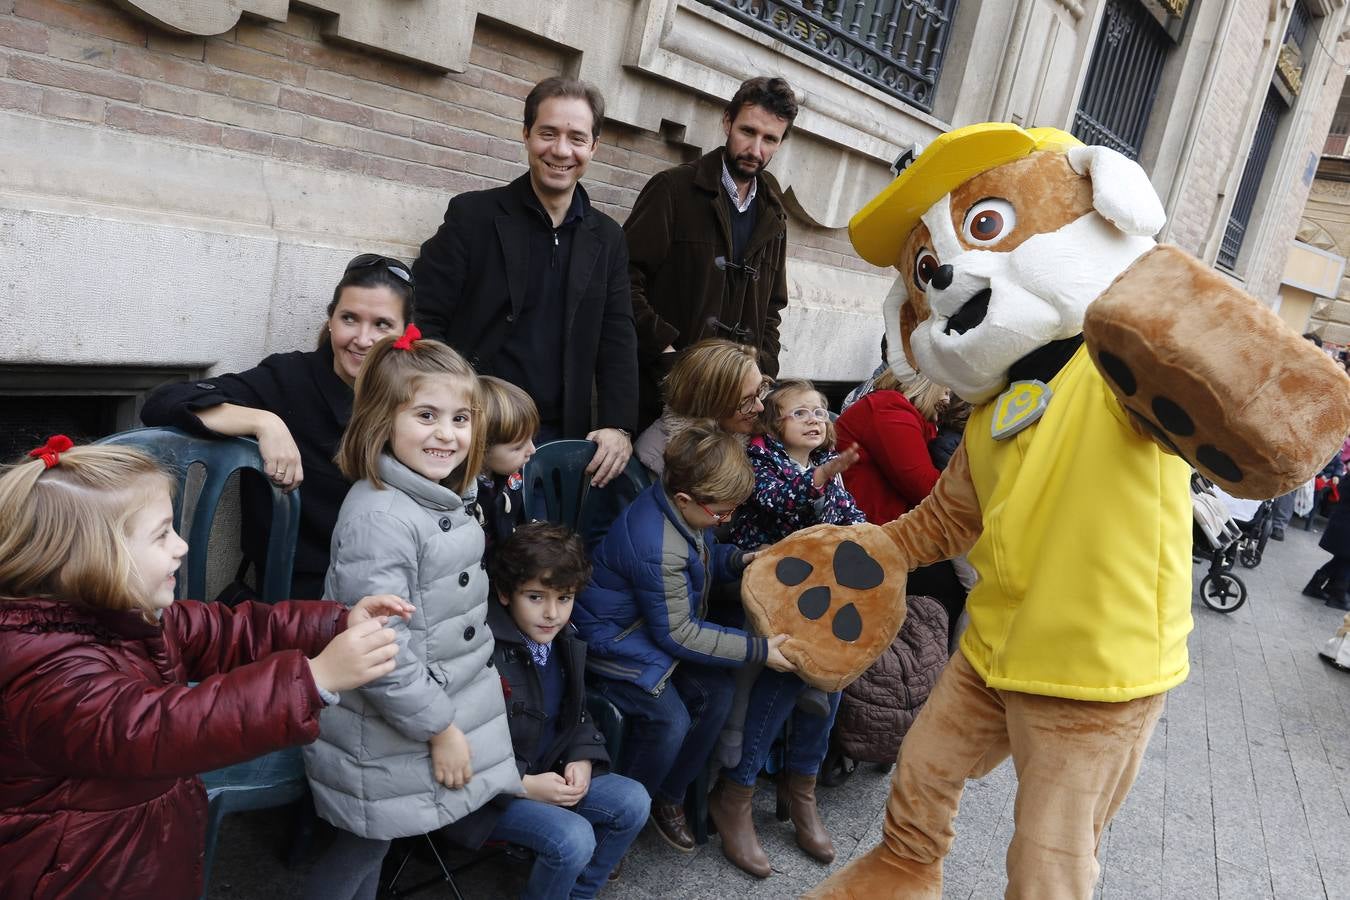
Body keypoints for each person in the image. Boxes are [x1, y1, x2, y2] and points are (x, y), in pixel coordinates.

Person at [0, 438, 407, 900]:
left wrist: (332, 623)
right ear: (90, 559)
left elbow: (228, 631)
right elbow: (163, 729)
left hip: (133, 847)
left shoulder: (125, 615)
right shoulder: (46, 672)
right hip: (77, 871)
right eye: (161, 535)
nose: (182, 546)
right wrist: (312, 680)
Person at [301, 329, 521, 900]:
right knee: (362, 845)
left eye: (460, 418)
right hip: (387, 724)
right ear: (383, 420)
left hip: (418, 710)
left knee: (374, 842)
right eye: (426, 415)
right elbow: (383, 650)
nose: (446, 435)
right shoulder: (383, 518)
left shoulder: (439, 495)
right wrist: (441, 727)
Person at [573, 424, 794, 851]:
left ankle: (667, 797)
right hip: (614, 645)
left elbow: (703, 559)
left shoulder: (681, 513)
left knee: (719, 694)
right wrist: (758, 650)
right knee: (668, 721)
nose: (725, 520)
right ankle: (615, 817)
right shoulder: (656, 543)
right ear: (685, 500)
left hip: (649, 634)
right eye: (723, 514)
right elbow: (680, 634)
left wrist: (742, 559)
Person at [140, 254, 414, 598]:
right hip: (297, 596)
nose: (363, 338)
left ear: (407, 331)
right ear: (330, 320)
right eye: (349, 318)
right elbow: (164, 401)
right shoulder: (290, 378)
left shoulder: (415, 392)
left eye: (382, 325)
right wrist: (263, 422)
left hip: (395, 586)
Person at [411, 76, 637, 488]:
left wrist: (618, 426)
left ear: (594, 146)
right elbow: (423, 314)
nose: (561, 150)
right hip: (473, 430)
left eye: (576, 137)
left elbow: (617, 337)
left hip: (558, 440)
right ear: (526, 134)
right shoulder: (472, 216)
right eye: (548, 133)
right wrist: (450, 406)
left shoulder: (608, 237)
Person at [712, 381, 865, 877]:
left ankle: (801, 789)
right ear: (774, 425)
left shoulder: (828, 472)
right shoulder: (762, 460)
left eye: (821, 411)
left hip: (810, 597)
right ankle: (736, 793)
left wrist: (873, 537)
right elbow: (780, 505)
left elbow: (848, 521)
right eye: (800, 412)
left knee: (835, 664)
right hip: (760, 589)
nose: (815, 419)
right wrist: (823, 474)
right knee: (788, 671)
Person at [457, 522, 650, 897]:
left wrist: (582, 756)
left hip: (545, 774)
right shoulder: (481, 652)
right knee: (572, 839)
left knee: (633, 801)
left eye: (564, 598)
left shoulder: (564, 639)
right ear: (503, 593)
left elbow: (575, 712)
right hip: (483, 797)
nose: (551, 613)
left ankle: (578, 894)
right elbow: (461, 748)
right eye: (535, 597)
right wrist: (523, 785)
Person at [625, 76, 797, 428]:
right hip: (667, 394)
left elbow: (771, 310)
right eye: (748, 131)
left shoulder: (774, 215)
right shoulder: (672, 189)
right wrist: (670, 355)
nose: (756, 149)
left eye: (770, 140)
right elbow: (624, 279)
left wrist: (762, 370)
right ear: (727, 121)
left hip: (738, 406)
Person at [633, 338, 770, 477]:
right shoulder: (657, 463)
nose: (760, 407)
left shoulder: (750, 441)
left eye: (760, 390)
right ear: (709, 404)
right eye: (746, 401)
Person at [475, 376, 539, 559]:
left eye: (532, 439)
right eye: (517, 447)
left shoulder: (509, 478)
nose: (532, 450)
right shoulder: (461, 495)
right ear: (480, 447)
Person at [1302, 489, 1350, 611]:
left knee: (1340, 559)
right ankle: (1337, 596)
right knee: (1346, 561)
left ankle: (1314, 586)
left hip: (1342, 522)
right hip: (1346, 525)